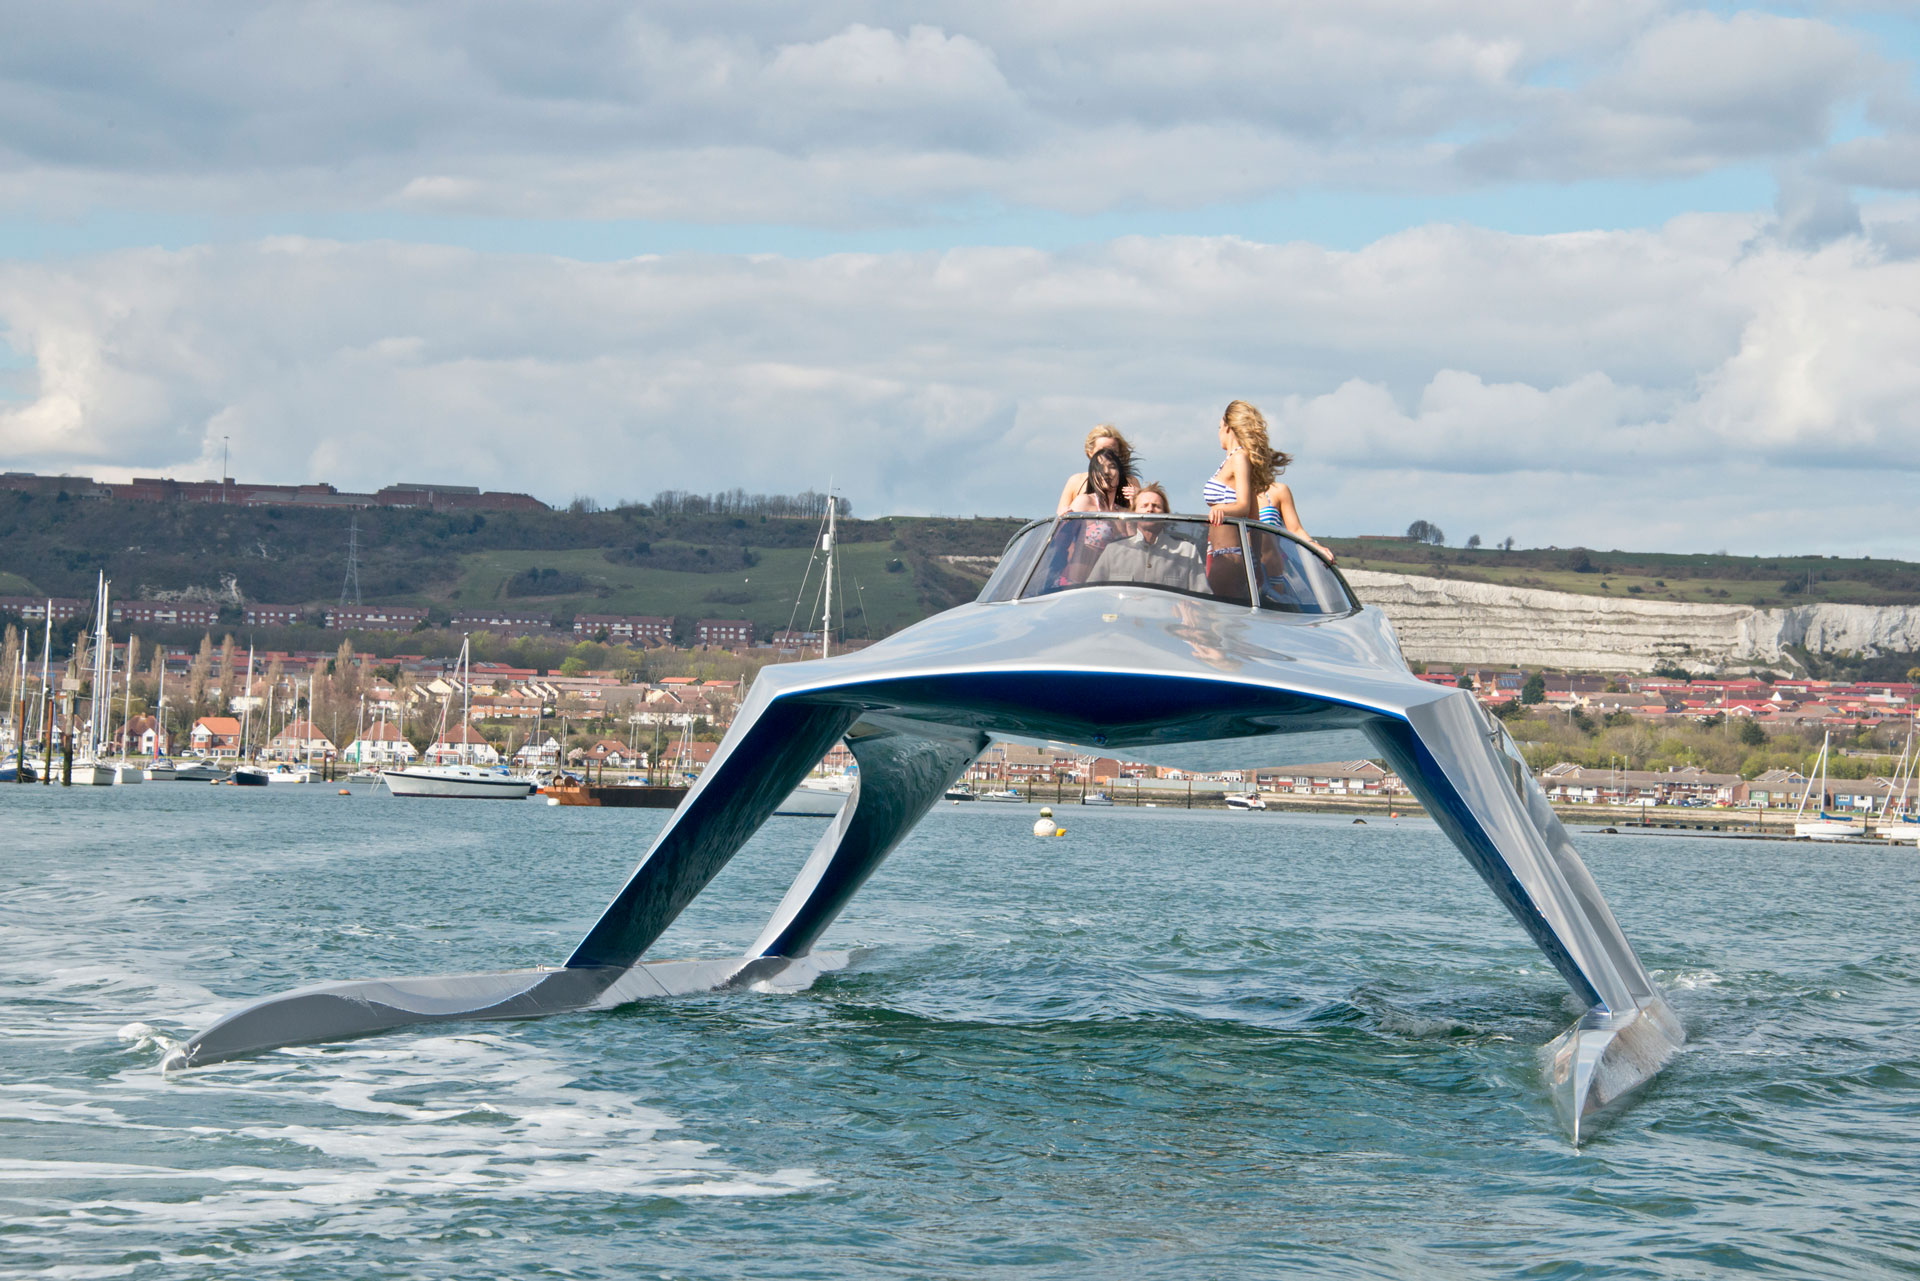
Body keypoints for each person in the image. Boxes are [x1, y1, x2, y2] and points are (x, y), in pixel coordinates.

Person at [1200, 400, 1278, 601]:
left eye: (1219, 427)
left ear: (1227, 427)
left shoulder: (1239, 457)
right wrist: (1256, 561)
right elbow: (1255, 517)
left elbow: (1244, 506)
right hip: (1226, 554)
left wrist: (1221, 510)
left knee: (1218, 614)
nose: (1218, 433)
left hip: (1229, 555)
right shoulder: (1233, 460)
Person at [1086, 484, 1205, 591]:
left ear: (1166, 514)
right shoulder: (1113, 550)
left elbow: (1202, 597)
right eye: (1144, 506)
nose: (1150, 509)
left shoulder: (1187, 551)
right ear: (1134, 513)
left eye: (1156, 506)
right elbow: (1092, 593)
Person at [1058, 444, 1132, 584]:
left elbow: (1136, 548)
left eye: (1112, 466)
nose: (1106, 472)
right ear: (1092, 475)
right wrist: (1062, 522)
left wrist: (1136, 503)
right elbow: (1062, 540)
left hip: (1113, 586)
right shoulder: (1084, 502)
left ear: (1119, 475)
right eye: (1100, 467)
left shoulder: (1125, 512)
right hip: (1077, 584)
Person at [1056, 425, 1139, 514]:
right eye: (1101, 450)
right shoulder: (1076, 481)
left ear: (1119, 454)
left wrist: (1138, 499)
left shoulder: (1130, 481)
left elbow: (1141, 515)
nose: (1106, 454)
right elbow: (1061, 514)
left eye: (1112, 451)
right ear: (1090, 452)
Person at [1257, 480, 1334, 564]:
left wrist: (1314, 547)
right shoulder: (1244, 497)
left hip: (1272, 565)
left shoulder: (1278, 490)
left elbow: (1295, 530)